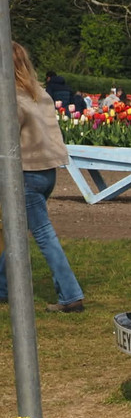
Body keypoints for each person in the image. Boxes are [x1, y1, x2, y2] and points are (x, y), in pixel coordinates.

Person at [0, 42, 85, 313]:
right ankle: (3, 287)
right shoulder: (40, 94)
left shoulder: (11, 99)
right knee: (14, 230)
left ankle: (71, 295)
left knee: (43, 234)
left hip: (25, 174)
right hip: (47, 172)